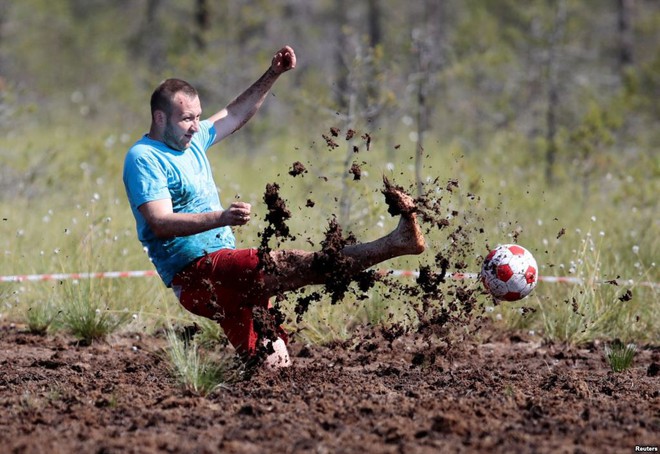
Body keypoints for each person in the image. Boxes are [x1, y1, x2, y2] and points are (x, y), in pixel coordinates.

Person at [123, 46, 425, 369]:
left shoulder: (192, 140)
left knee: (273, 365)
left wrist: (273, 74)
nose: (196, 126)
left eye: (198, 117)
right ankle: (396, 243)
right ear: (159, 118)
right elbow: (160, 222)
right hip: (199, 275)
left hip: (226, 275)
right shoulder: (144, 158)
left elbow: (234, 113)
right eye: (187, 119)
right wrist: (221, 217)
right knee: (300, 264)